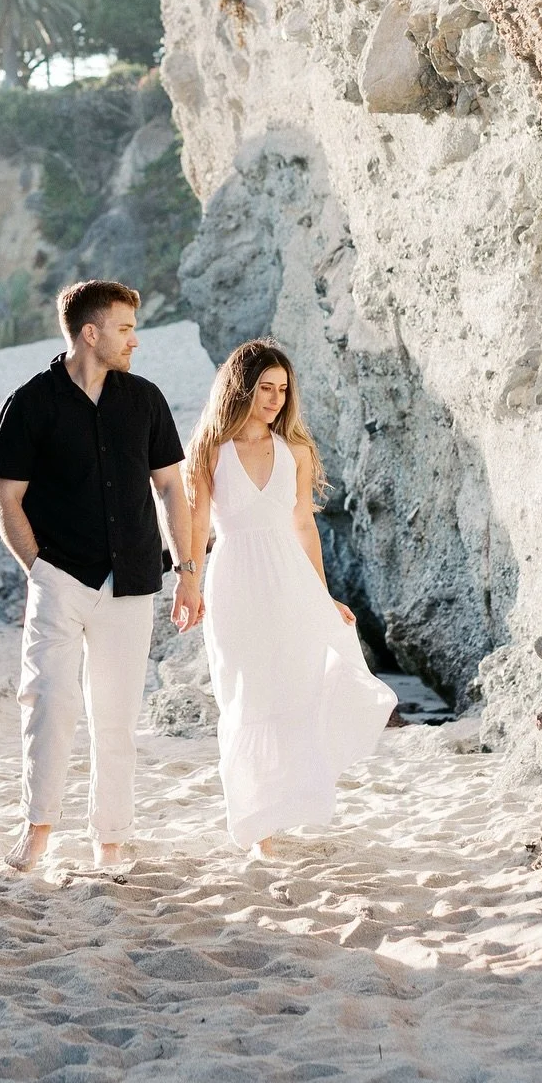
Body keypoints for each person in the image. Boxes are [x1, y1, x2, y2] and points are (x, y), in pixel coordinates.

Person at [0, 279, 200, 872]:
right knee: (48, 705)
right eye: (126, 327)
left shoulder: (145, 400)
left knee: (116, 719)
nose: (136, 339)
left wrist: (188, 572)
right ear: (90, 332)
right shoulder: (30, 403)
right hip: (60, 580)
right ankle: (38, 830)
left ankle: (111, 837)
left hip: (132, 579)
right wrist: (39, 569)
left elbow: (169, 489)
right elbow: (7, 499)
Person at [186, 339, 396, 855]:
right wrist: (186, 582)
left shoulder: (295, 451)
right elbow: (195, 523)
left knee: (294, 690)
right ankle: (255, 823)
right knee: (242, 697)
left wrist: (323, 596)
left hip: (288, 579)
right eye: (265, 388)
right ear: (241, 388)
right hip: (233, 577)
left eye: (283, 389)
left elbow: (304, 526)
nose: (276, 399)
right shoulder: (210, 448)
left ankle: (278, 811)